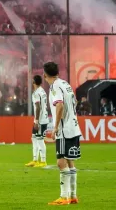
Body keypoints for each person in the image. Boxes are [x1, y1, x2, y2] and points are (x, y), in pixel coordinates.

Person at [43, 62, 81, 205]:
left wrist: (56, 127)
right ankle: (72, 196)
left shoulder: (55, 87)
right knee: (70, 161)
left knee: (61, 162)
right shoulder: (65, 83)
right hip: (73, 127)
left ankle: (63, 197)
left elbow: (59, 105)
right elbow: (74, 101)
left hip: (64, 130)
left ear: (45, 74)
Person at [25, 75, 49, 168]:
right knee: (34, 138)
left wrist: (37, 121)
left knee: (40, 140)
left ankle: (43, 161)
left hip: (41, 120)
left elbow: (38, 107)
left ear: (34, 82)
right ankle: (35, 159)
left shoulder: (36, 93)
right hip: (41, 119)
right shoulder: (42, 91)